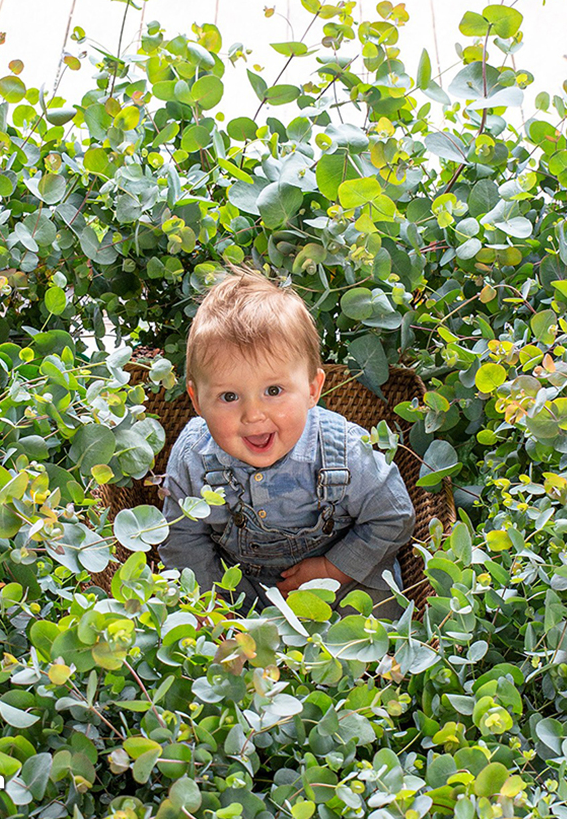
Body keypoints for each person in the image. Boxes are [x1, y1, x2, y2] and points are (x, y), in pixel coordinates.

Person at [159, 265, 415, 619]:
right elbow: (182, 540)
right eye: (229, 396)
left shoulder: (343, 451)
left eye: (273, 391)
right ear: (196, 399)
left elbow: (393, 515)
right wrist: (212, 605)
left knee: (374, 618)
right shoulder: (193, 459)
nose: (253, 414)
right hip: (244, 589)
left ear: (312, 390)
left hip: (340, 585)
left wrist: (333, 568)